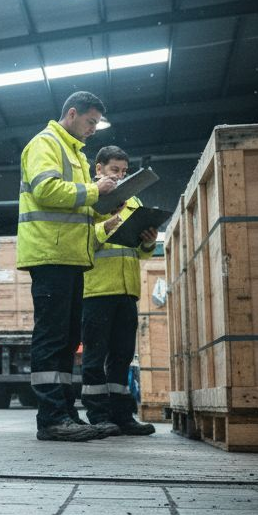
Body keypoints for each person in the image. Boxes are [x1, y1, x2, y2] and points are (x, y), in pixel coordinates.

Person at [17, 92, 118, 441]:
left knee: (67, 340)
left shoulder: (76, 153)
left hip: (71, 256)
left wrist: (102, 203)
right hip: (50, 254)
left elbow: (73, 201)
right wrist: (94, 191)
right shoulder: (45, 143)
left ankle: (65, 412)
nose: (93, 129)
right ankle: (50, 418)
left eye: (96, 124)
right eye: (90, 122)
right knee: (52, 337)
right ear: (72, 114)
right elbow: (46, 190)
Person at [81, 146, 159, 436]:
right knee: (95, 357)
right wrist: (108, 225)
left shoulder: (133, 201)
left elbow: (140, 254)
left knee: (122, 357)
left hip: (127, 292)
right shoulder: (89, 198)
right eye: (115, 170)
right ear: (98, 169)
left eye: (124, 172)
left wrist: (148, 241)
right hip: (97, 291)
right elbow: (81, 242)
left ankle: (122, 416)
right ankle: (98, 415)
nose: (120, 176)